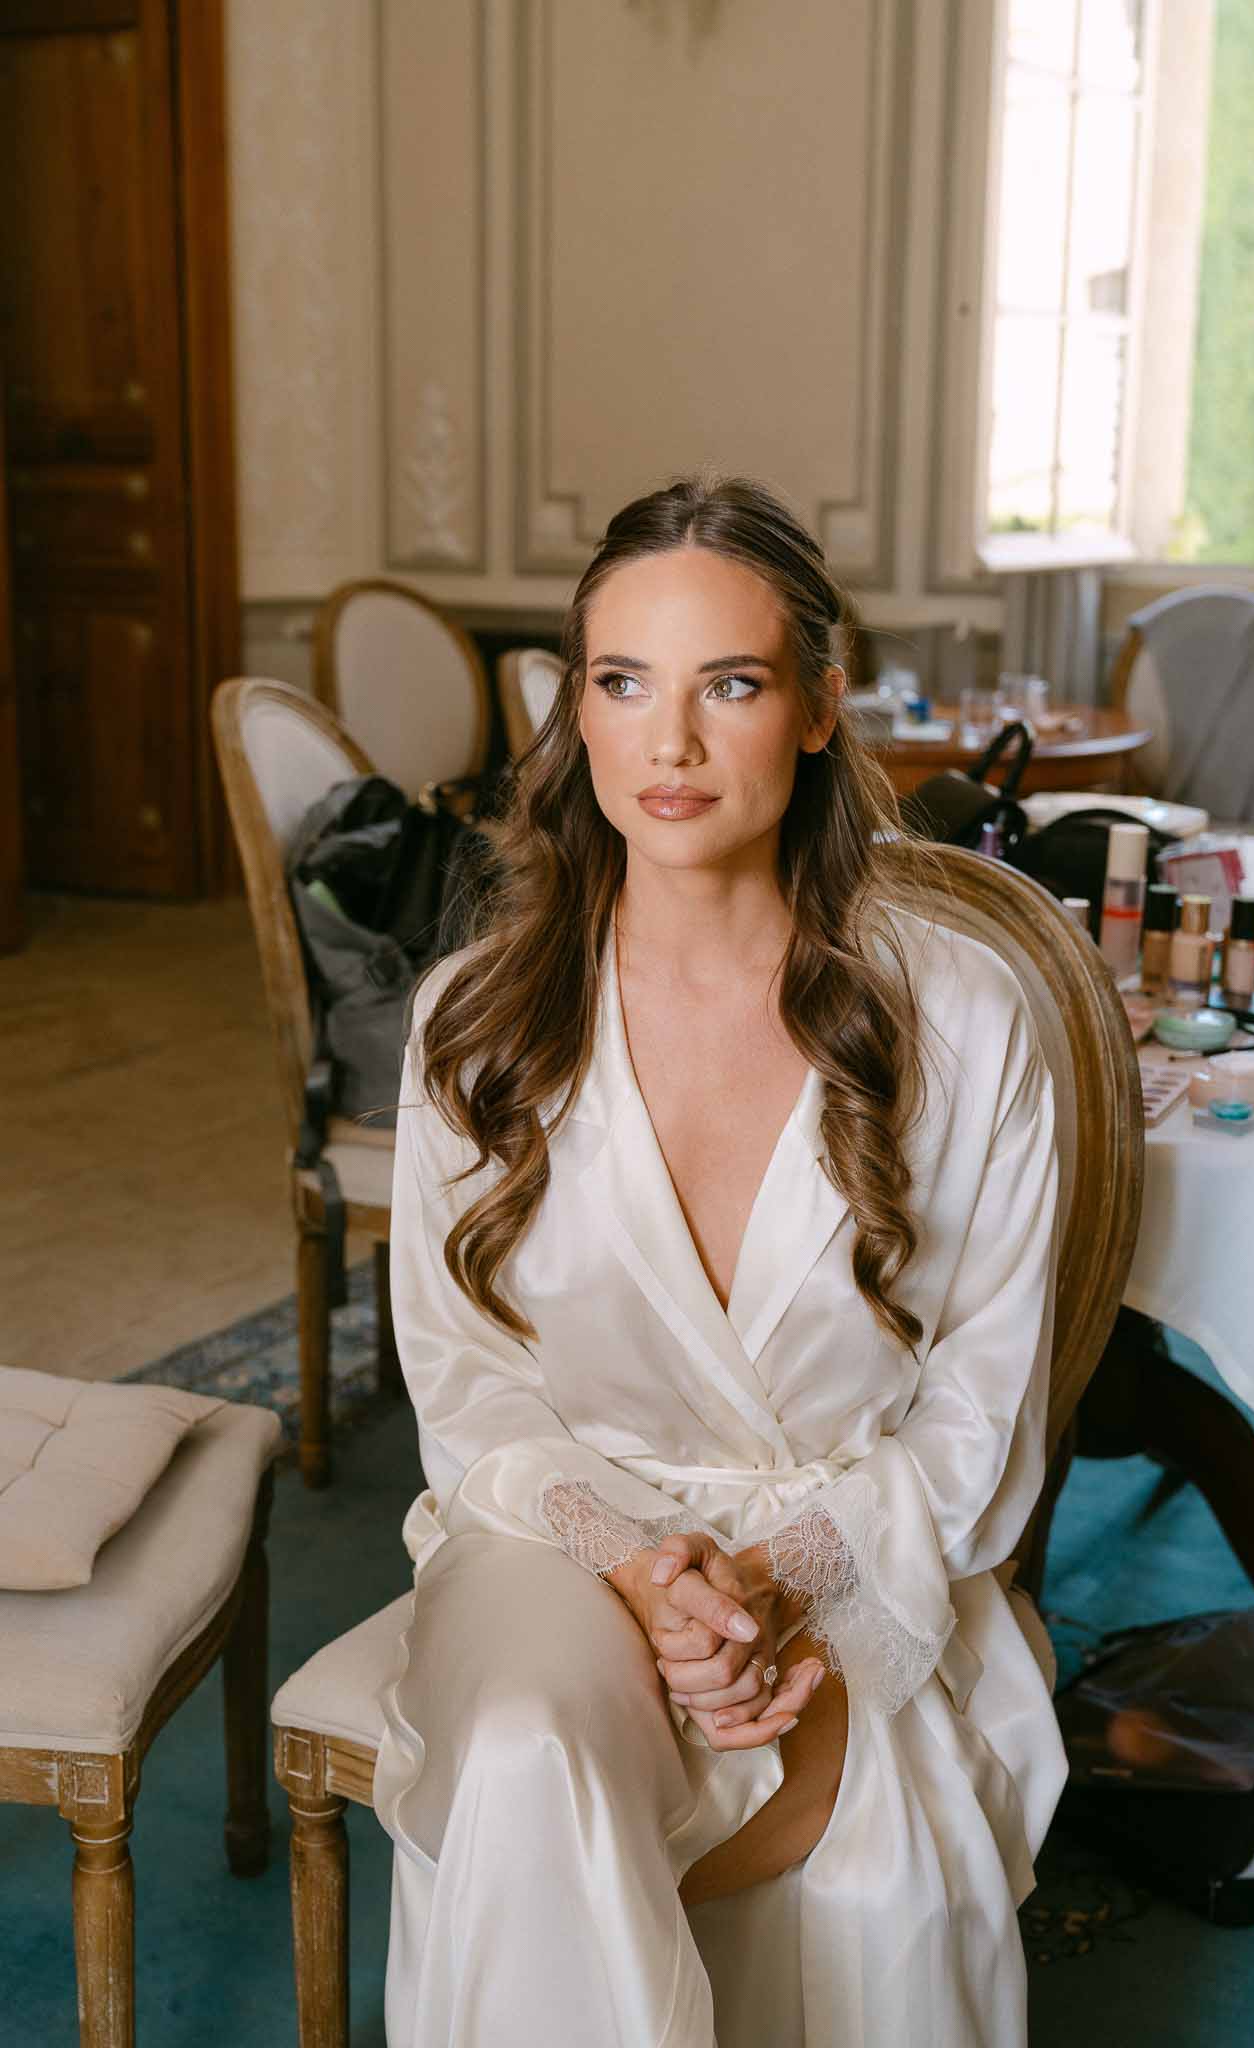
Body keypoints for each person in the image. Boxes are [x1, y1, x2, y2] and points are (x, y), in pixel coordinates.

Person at [374, 474, 1067, 2047]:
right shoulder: (473, 1022)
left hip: (845, 1541)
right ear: (577, 711)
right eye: (622, 684)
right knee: (534, 1755)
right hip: (560, 1539)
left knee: (775, 1850)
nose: (667, 744)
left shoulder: (961, 1022)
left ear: (819, 707)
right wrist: (640, 1566)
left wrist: (765, 1585)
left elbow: (981, 1411)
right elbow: (467, 1389)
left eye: (729, 685)